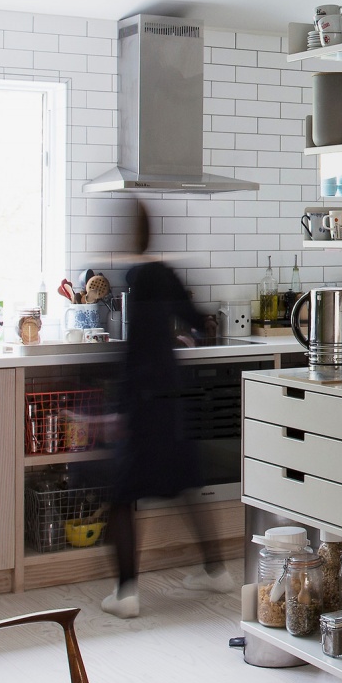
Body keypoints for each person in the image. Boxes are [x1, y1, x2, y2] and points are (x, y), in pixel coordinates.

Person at [100, 199, 235, 618]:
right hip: (171, 395)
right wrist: (185, 334)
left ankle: (126, 593)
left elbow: (134, 348)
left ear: (127, 234)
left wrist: (118, 406)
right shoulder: (166, 274)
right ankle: (216, 570)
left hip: (141, 399)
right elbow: (199, 322)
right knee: (185, 484)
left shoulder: (135, 277)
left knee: (121, 497)